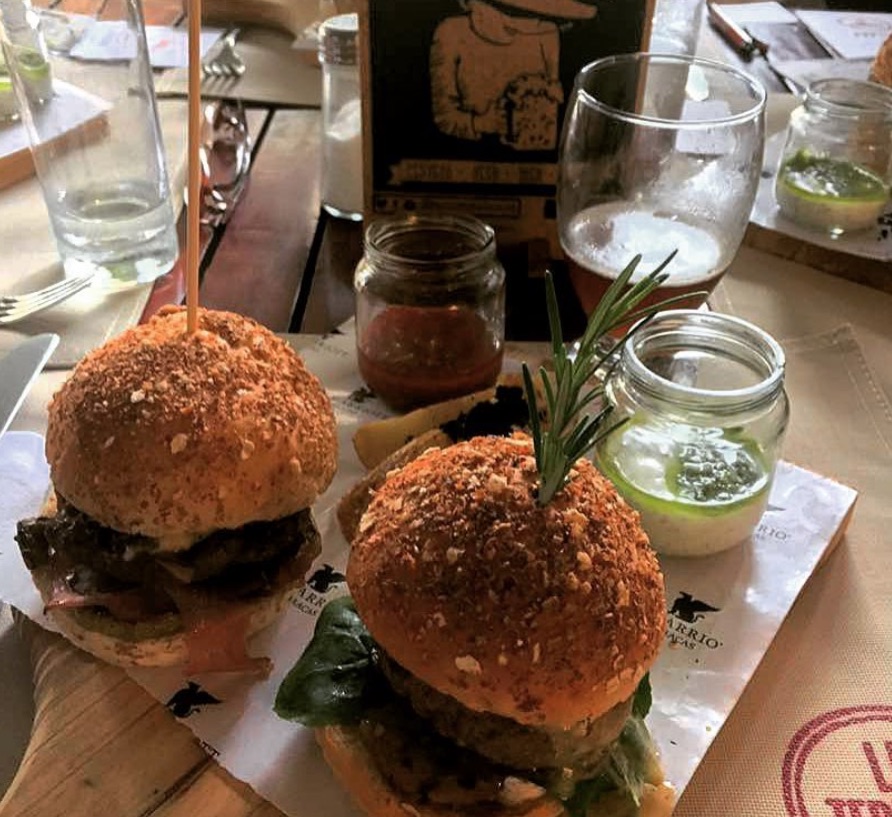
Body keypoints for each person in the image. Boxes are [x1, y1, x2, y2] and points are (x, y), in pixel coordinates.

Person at [430, 0, 596, 150]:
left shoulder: (546, 32)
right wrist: (481, 123)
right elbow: (444, 117)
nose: (535, 24)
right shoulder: (451, 33)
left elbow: (553, 101)